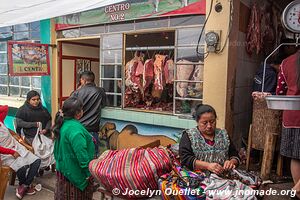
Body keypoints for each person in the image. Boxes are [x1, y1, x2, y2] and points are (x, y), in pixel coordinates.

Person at [52, 97, 95, 200]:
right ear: (78, 113)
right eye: (82, 109)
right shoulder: (75, 130)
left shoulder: (63, 124)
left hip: (64, 170)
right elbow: (81, 154)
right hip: (74, 173)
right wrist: (88, 172)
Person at [179, 104, 240, 174]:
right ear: (197, 122)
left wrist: (231, 162)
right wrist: (207, 166)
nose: (209, 126)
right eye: (204, 123)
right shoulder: (189, 136)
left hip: (222, 175)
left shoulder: (223, 135)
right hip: (197, 176)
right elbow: (185, 159)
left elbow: (234, 155)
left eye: (212, 122)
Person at [0, 105, 41, 199]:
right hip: (6, 154)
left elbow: (5, 108)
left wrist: (20, 142)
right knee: (22, 167)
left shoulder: (1, 122)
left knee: (36, 161)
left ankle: (24, 186)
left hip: (16, 147)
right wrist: (11, 152)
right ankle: (24, 185)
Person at [276, 50, 300, 199]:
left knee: (296, 156)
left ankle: (297, 190)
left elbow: (280, 91)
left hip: (292, 115)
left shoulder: (286, 62)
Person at [71, 71, 106, 157]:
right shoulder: (100, 91)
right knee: (93, 155)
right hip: (93, 128)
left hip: (78, 128)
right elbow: (104, 105)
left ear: (83, 80)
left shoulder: (76, 92)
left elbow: (70, 107)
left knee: (79, 154)